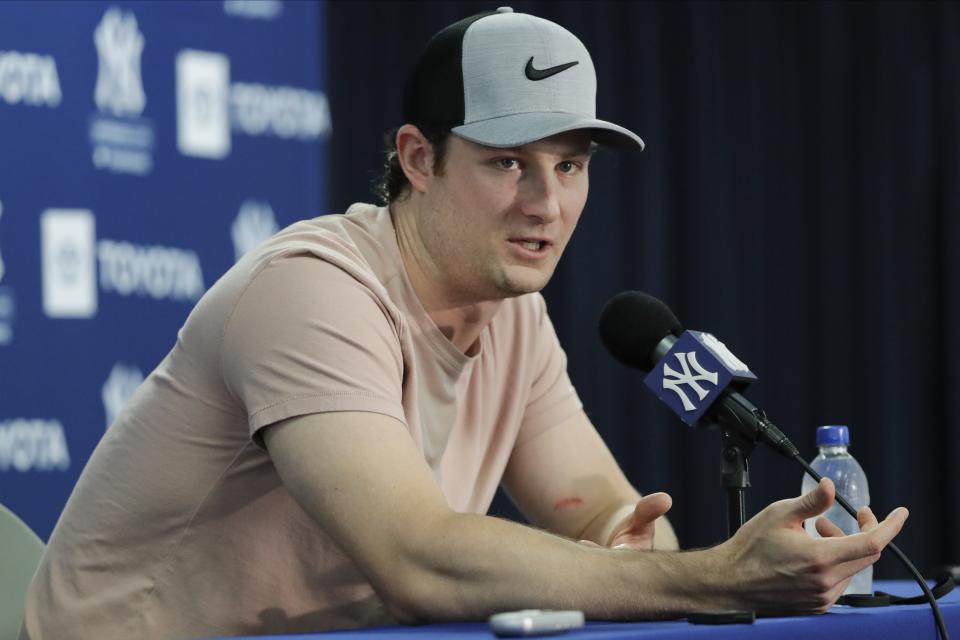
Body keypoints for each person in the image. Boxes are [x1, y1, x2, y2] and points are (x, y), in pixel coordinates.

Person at [21, 7, 908, 639]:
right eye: (507, 164)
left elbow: (606, 512)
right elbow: (421, 558)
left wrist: (623, 553)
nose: (547, 205)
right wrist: (710, 580)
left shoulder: (515, 319)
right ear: (419, 159)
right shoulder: (312, 291)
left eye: (569, 165)